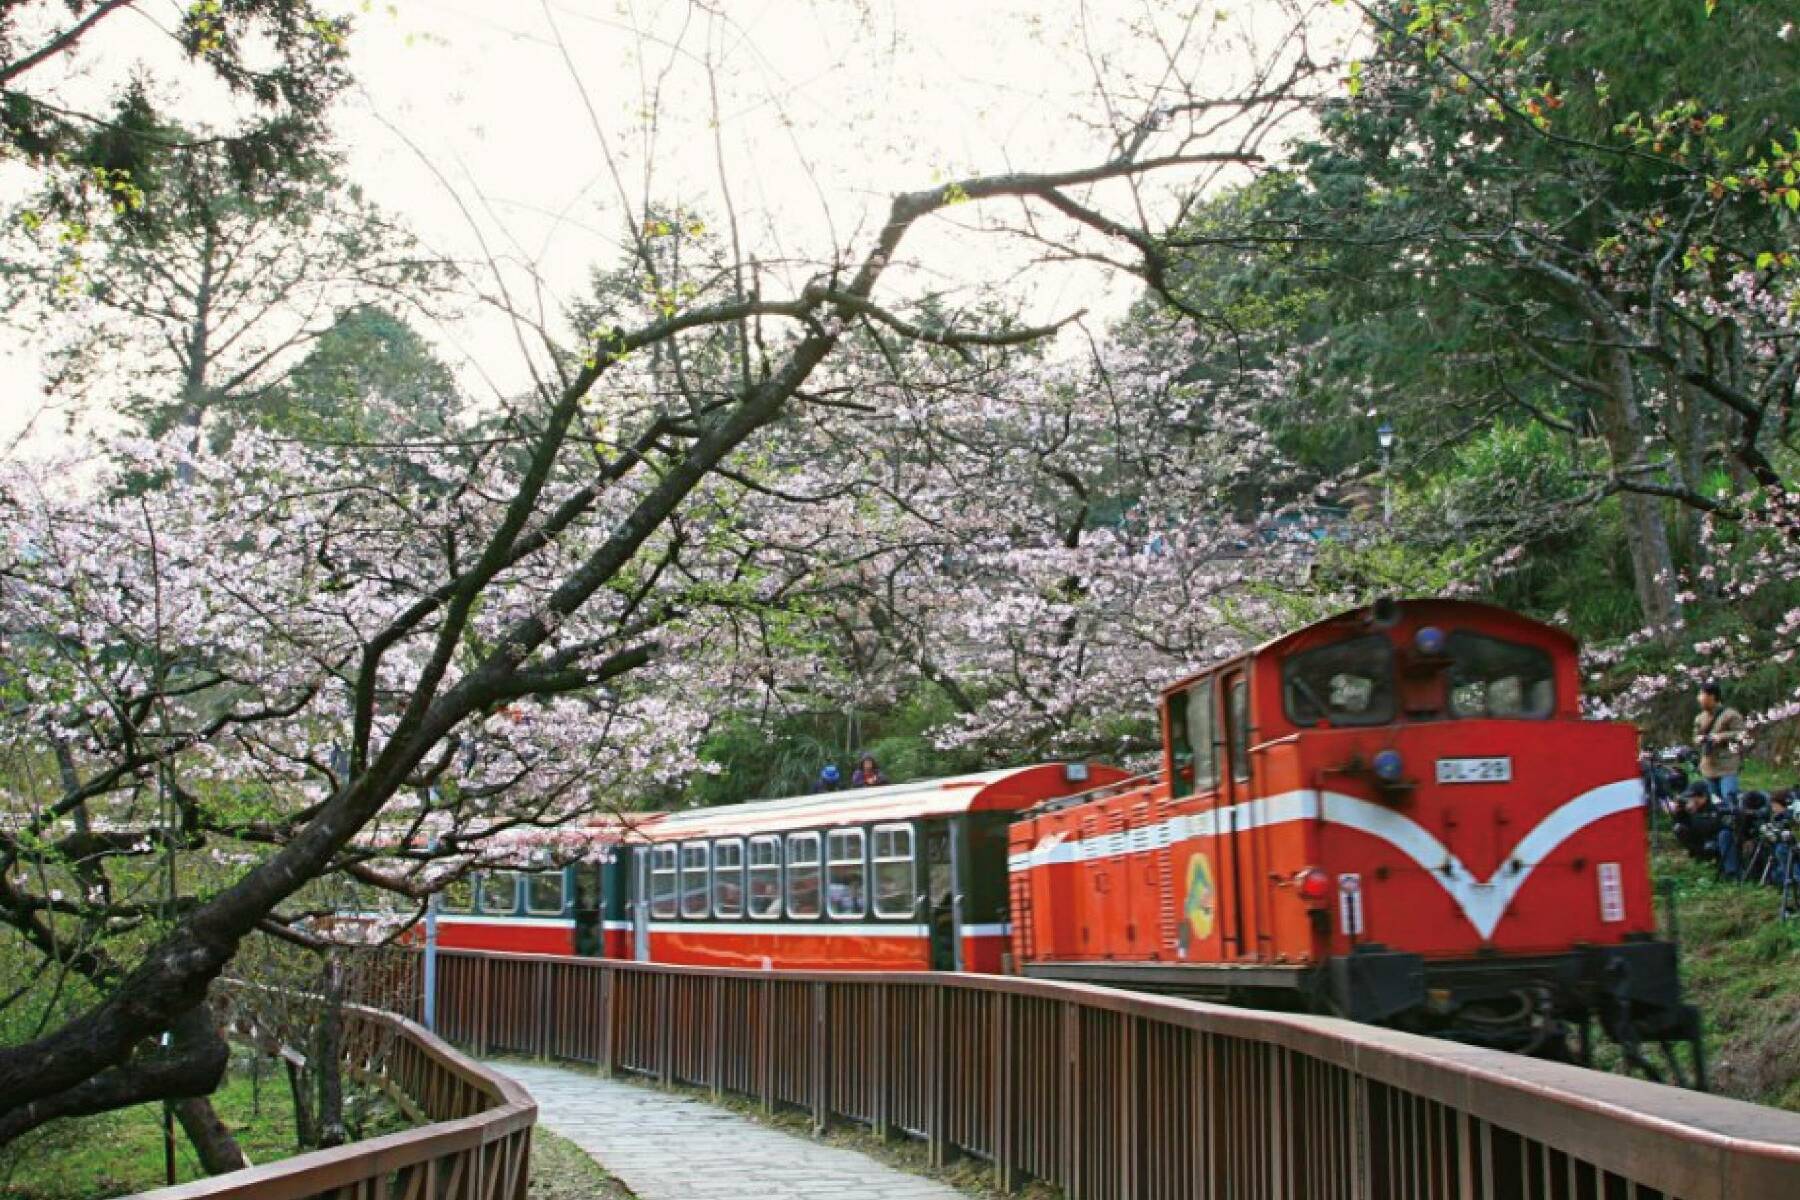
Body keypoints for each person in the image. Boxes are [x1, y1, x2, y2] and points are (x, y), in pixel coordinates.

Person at [1694, 681, 1746, 805]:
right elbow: (1695, 737)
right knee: (1713, 803)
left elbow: (1742, 734)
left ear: (1711, 696)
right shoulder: (1700, 718)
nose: (1699, 698)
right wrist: (1699, 739)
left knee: (1729, 800)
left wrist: (1721, 737)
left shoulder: (1731, 715)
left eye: (1702, 694)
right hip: (1708, 766)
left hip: (1727, 766)